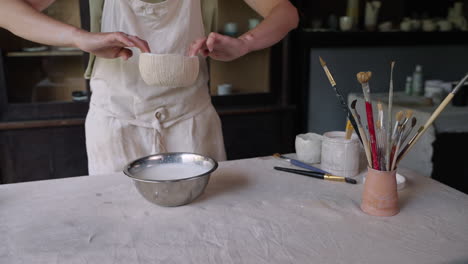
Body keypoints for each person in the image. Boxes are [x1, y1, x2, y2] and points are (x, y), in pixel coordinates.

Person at [0, 0, 299, 175]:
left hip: (191, 121)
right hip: (117, 124)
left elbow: (285, 12)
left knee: (201, 222)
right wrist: (78, 37)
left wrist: (245, 44)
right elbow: (6, 9)